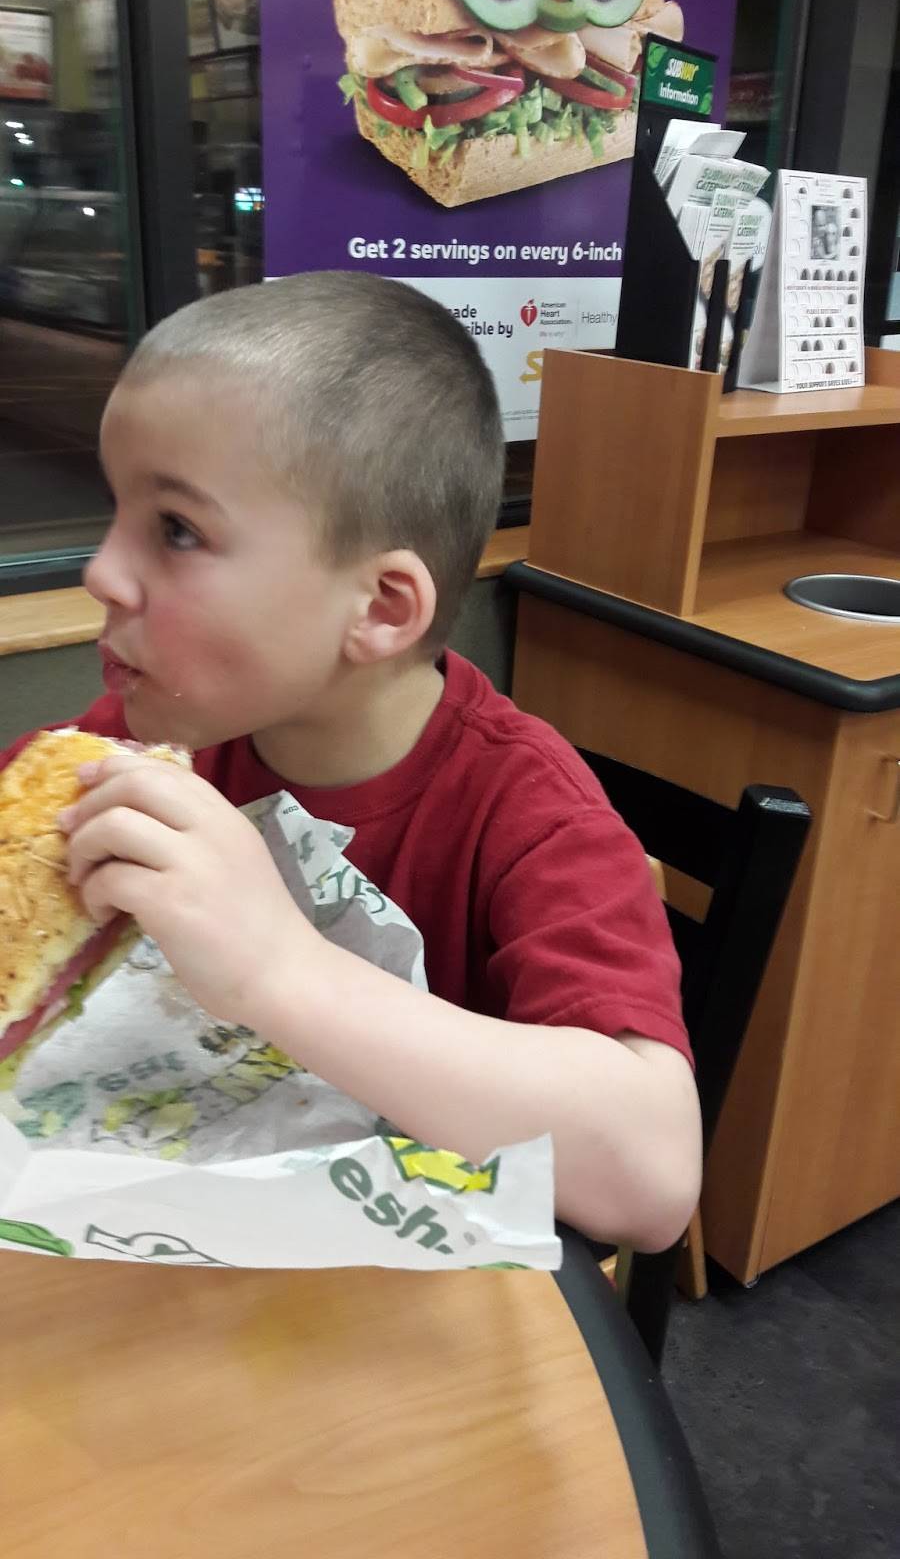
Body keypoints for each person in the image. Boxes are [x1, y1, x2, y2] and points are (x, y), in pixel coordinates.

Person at [3, 273, 701, 1250]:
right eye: (116, 511)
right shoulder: (145, 740)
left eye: (177, 531)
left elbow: (654, 1182)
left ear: (378, 608)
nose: (102, 572)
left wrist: (278, 966)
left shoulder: (529, 817)